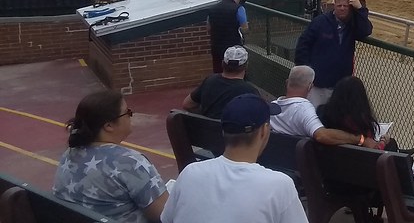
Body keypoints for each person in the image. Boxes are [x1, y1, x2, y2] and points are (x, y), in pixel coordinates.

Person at [161, 94, 308, 223]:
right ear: (264, 130)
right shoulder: (280, 186)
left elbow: (166, 219)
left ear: (224, 130)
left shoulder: (189, 173)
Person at [53, 90, 168, 223]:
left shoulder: (69, 154)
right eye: (127, 112)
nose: (131, 116)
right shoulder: (130, 162)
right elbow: (165, 215)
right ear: (108, 125)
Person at [294, 0, 372, 107]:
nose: (342, 8)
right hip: (318, 84)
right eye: (339, 6)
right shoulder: (320, 22)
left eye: (345, 6)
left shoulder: (352, 25)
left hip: (340, 84)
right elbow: (303, 45)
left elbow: (365, 31)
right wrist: (307, 70)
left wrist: (360, 9)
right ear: (334, 5)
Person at [269, 65, 377, 147]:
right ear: (310, 86)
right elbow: (322, 136)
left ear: (287, 82)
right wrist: (360, 139)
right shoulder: (305, 110)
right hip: (298, 167)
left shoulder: (271, 108)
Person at [317, 75, 408, 153]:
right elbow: (374, 149)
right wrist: (384, 141)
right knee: (391, 144)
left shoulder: (322, 114)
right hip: (357, 166)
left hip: (327, 164)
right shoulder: (359, 122)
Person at [182, 46, 260, 119]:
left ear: (223, 63)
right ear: (246, 66)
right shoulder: (250, 91)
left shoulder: (209, 81)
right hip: (234, 132)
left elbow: (187, 104)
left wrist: (205, 118)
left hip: (206, 131)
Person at [207, 0, 249, 73]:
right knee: (234, 72)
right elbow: (245, 29)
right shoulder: (239, 9)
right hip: (234, 48)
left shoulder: (212, 9)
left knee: (218, 72)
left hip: (216, 46)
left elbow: (209, 28)